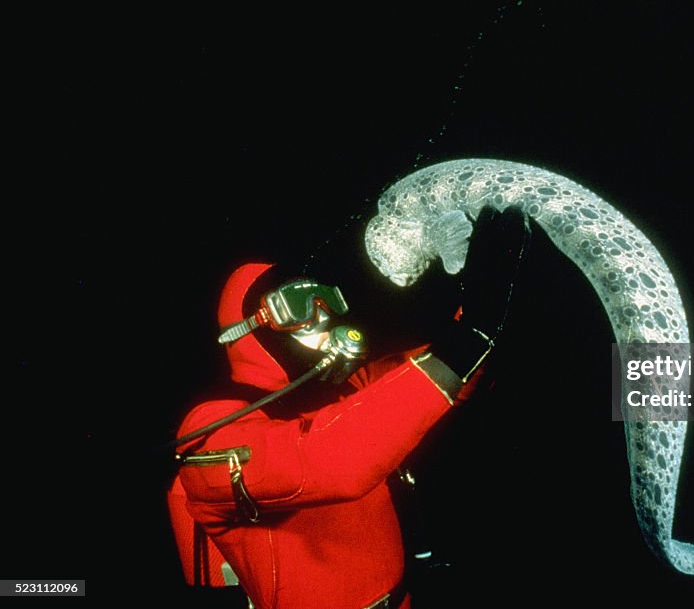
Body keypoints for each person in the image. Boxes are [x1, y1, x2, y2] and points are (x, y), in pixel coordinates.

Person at [166, 207, 530, 609]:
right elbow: (331, 461)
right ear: (253, 326)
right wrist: (468, 341)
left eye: (323, 297)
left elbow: (447, 378)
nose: (322, 315)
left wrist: (483, 303)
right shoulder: (210, 429)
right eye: (298, 303)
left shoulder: (345, 389)